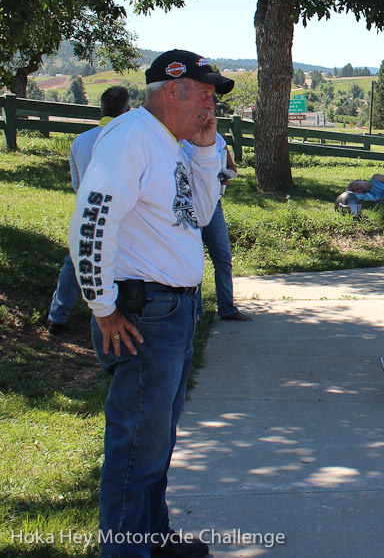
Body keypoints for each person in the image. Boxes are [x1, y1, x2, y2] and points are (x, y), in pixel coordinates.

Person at [71, 49, 233, 558]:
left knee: (156, 441)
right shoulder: (133, 137)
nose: (212, 103)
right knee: (137, 445)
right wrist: (103, 307)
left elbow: (201, 212)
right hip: (144, 315)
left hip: (174, 313)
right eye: (206, 92)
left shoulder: (172, 145)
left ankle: (152, 538)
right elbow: (91, 222)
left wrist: (207, 150)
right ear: (172, 89)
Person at [47, 86, 131, 335]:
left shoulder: (81, 140)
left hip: (87, 214)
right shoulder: (127, 141)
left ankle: (57, 316)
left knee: (74, 264)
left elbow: (76, 183)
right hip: (120, 217)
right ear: (127, 110)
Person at [182, 132, 253, 322]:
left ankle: (227, 308)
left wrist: (228, 175)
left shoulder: (217, 138)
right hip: (189, 207)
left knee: (223, 258)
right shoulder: (178, 138)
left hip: (214, 205)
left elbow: (230, 166)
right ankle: (195, 312)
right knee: (194, 259)